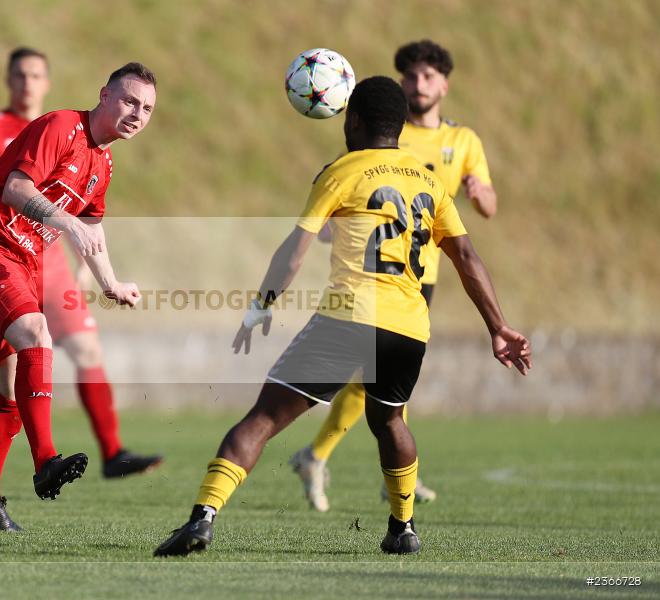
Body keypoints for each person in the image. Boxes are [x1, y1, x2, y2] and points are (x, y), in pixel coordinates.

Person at [154, 76, 530, 556]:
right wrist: (498, 327)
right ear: (399, 126)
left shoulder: (341, 172)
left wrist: (260, 306)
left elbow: (294, 252)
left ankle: (201, 519)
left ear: (351, 120)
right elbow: (467, 258)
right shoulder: (429, 181)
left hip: (347, 316)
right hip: (408, 326)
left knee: (264, 418)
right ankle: (403, 527)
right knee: (390, 423)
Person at [0, 61, 158, 532]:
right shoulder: (63, 125)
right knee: (35, 333)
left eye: (146, 108)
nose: (137, 113)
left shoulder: (103, 163)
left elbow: (94, 227)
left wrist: (110, 283)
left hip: (21, 263)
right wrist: (65, 222)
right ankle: (45, 461)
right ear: (104, 95)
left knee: (9, 382)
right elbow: (17, 187)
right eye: (128, 100)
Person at [289, 39, 498, 511]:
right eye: (409, 77)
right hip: (370, 274)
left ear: (444, 84)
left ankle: (331, 460)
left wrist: (479, 190)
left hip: (422, 277)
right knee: (374, 382)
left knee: (381, 385)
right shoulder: (387, 133)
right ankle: (346, 464)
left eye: (426, 77)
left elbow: (486, 207)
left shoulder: (462, 143)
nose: (417, 85)